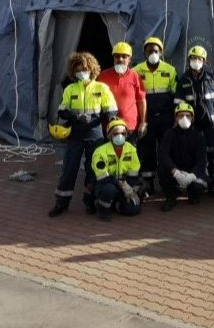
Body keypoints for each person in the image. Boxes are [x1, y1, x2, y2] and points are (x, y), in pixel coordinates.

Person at [48, 52, 118, 217]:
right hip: (76, 134)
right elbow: (62, 111)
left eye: (85, 69)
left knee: (94, 169)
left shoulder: (102, 88)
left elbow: (111, 110)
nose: (81, 72)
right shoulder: (70, 89)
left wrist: (112, 122)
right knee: (69, 168)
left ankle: (90, 200)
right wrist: (75, 116)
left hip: (96, 134)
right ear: (73, 71)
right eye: (78, 69)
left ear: (92, 69)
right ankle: (61, 203)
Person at [175, 45, 214, 195]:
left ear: (205, 61)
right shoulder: (183, 80)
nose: (196, 61)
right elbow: (178, 104)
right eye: (193, 58)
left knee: (213, 154)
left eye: (199, 59)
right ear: (189, 60)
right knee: (195, 154)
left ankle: (212, 184)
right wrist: (182, 123)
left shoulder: (211, 79)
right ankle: (196, 183)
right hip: (192, 126)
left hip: (210, 124)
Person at [134, 37, 178, 195]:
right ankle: (149, 183)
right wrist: (141, 121)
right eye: (149, 50)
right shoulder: (137, 70)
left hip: (166, 118)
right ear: (144, 52)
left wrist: (175, 119)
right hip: (147, 118)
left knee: (167, 149)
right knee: (147, 150)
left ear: (161, 52)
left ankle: (168, 181)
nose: (153, 53)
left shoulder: (170, 70)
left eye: (156, 50)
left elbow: (176, 97)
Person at [158, 103, 209, 211]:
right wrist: (175, 171)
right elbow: (163, 155)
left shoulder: (198, 136)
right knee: (162, 169)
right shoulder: (169, 134)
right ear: (176, 118)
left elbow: (202, 160)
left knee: (197, 188)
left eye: (187, 115)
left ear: (192, 118)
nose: (184, 118)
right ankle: (171, 198)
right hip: (175, 170)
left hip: (192, 172)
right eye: (180, 115)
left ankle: (192, 194)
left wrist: (192, 175)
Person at [90, 119, 142, 221]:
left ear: (126, 135)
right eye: (116, 133)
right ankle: (102, 209)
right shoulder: (100, 151)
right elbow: (102, 176)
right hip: (106, 184)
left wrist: (131, 189)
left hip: (124, 184)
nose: (120, 136)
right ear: (109, 135)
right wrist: (121, 184)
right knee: (109, 189)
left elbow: (134, 172)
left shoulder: (131, 149)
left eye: (123, 133)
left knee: (134, 210)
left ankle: (115, 205)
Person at [97, 42, 147, 144]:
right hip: (108, 126)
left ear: (130, 59)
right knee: (109, 157)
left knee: (128, 157)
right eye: (117, 56)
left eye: (124, 57)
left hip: (130, 127)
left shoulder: (135, 76)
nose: (120, 59)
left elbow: (141, 100)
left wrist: (143, 122)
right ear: (113, 58)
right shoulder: (103, 76)